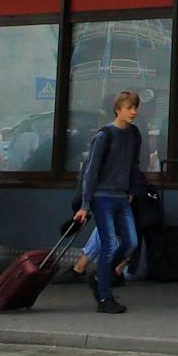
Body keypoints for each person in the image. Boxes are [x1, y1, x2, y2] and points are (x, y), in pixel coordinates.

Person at [74, 91, 143, 314]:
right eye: (129, 107)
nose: (133, 112)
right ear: (118, 109)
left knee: (131, 242)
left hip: (122, 196)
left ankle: (101, 275)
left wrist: (132, 188)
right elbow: (91, 171)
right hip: (102, 196)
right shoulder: (104, 135)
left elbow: (134, 163)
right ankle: (104, 297)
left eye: (135, 108)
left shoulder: (134, 134)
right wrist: (85, 204)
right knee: (109, 243)